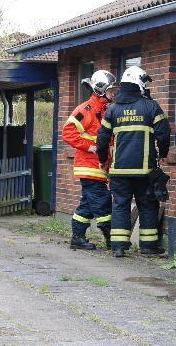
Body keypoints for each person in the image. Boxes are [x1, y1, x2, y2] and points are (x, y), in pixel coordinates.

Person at [97, 66, 170, 258]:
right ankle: (149, 247)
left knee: (120, 205)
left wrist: (102, 160)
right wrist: (163, 153)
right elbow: (163, 134)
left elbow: (102, 139)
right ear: (138, 83)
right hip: (145, 170)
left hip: (119, 171)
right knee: (147, 205)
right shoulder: (151, 107)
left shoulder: (112, 109)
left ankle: (119, 247)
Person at [62, 70, 117, 250]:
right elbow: (68, 133)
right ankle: (112, 240)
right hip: (89, 167)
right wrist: (90, 146)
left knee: (86, 205)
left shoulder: (104, 109)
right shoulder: (86, 109)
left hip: (98, 168)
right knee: (103, 203)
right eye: (110, 91)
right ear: (101, 90)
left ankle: (77, 238)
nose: (113, 94)